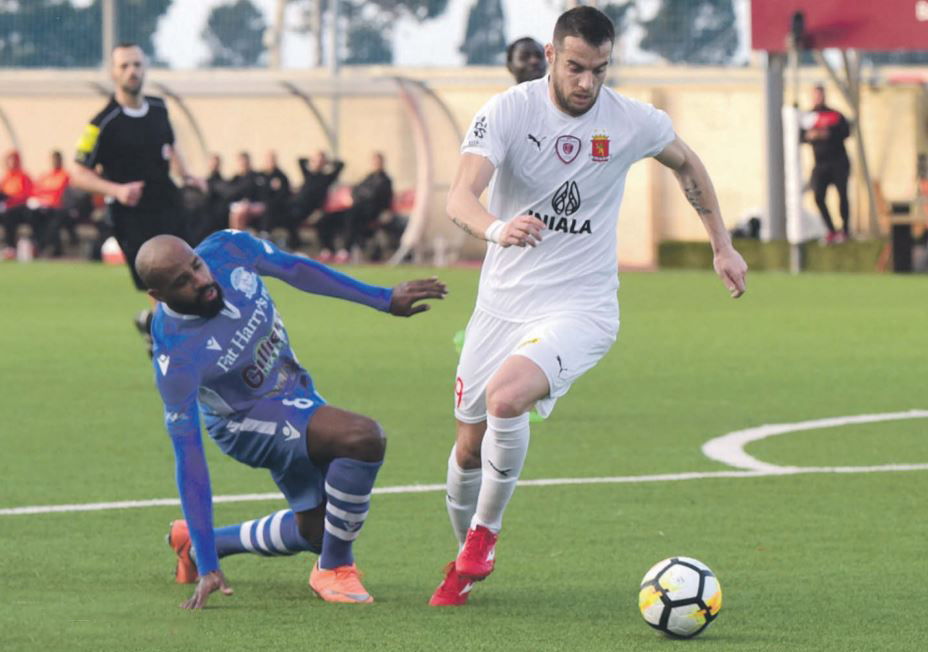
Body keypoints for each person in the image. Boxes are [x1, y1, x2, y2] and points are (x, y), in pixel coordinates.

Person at [428, 6, 747, 607]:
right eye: (576, 68)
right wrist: (498, 229)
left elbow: (688, 164)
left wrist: (722, 245)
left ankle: (484, 538)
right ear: (551, 56)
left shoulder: (629, 120)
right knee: (467, 445)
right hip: (501, 306)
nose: (587, 83)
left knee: (507, 396)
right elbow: (460, 197)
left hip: (582, 306)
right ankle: (464, 554)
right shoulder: (509, 111)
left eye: (599, 70)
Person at [137, 230, 447, 608]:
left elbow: (296, 269)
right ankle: (333, 569)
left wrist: (382, 298)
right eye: (182, 282)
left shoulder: (229, 249)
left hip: (294, 390)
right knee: (362, 438)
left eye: (196, 266)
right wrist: (209, 569)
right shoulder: (175, 357)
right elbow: (190, 459)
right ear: (158, 298)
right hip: (245, 422)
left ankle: (198, 541)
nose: (201, 281)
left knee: (318, 530)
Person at [70, 42, 204, 351]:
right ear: (113, 72)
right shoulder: (101, 122)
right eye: (125, 66)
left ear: (145, 68)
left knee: (188, 271)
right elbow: (78, 172)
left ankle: (155, 329)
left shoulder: (159, 108)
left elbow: (171, 147)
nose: (132, 71)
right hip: (131, 214)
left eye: (137, 65)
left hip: (167, 203)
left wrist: (186, 175)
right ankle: (171, 348)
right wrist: (116, 190)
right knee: (162, 279)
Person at [800, 84, 851, 244]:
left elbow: (846, 131)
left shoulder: (835, 115)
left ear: (824, 96)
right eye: (815, 96)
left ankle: (845, 231)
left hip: (839, 162)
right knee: (818, 196)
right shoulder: (808, 117)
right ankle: (831, 230)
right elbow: (800, 136)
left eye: (820, 95)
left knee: (842, 196)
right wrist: (811, 135)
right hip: (820, 164)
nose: (818, 98)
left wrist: (827, 133)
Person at [336, 151, 393, 263]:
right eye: (374, 161)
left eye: (378, 161)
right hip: (359, 209)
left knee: (351, 215)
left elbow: (378, 197)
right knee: (341, 217)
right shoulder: (369, 177)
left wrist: (361, 196)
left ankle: (346, 250)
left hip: (373, 211)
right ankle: (345, 249)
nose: (376, 164)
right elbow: (355, 189)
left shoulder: (385, 180)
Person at [294, 151, 344, 253]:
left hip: (313, 210)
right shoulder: (308, 174)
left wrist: (327, 162)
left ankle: (326, 250)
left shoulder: (327, 177)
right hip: (298, 206)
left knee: (324, 223)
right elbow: (300, 160)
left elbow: (341, 165)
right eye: (317, 160)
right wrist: (313, 159)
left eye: (321, 161)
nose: (318, 163)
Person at [28, 150, 72, 257]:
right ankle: (39, 247)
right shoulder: (45, 175)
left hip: (58, 208)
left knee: (53, 223)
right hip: (42, 207)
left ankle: (55, 249)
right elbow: (36, 190)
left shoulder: (65, 175)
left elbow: (59, 191)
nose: (55, 162)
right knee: (33, 217)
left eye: (57, 160)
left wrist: (46, 197)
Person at [0, 150, 34, 259]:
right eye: (9, 160)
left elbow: (27, 195)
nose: (12, 163)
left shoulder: (23, 176)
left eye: (14, 160)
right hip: (6, 208)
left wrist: (11, 200)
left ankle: (10, 248)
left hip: (19, 209)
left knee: (9, 216)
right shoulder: (6, 178)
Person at [227, 151, 267, 232]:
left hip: (255, 205)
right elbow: (232, 194)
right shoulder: (236, 178)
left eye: (245, 161)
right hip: (241, 206)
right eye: (241, 161)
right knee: (236, 213)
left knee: (242, 211)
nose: (243, 163)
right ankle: (237, 236)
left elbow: (261, 193)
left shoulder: (256, 176)